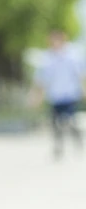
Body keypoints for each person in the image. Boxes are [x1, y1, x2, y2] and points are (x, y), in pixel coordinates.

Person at [31, 29, 85, 159]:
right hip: (55, 96)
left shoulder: (72, 56)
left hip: (70, 94)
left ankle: (77, 136)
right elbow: (41, 79)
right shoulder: (47, 58)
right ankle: (58, 147)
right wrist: (37, 97)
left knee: (69, 120)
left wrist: (84, 90)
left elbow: (81, 75)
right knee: (55, 122)